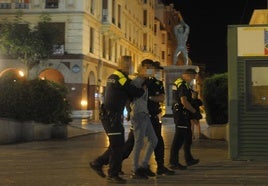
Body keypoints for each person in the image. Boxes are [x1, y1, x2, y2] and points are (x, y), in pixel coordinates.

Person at [89, 59, 145, 184]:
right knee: (117, 146)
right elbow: (136, 92)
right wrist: (144, 87)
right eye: (128, 65)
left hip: (111, 117)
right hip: (111, 118)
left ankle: (113, 169)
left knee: (117, 145)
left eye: (130, 65)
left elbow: (127, 93)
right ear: (122, 65)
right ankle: (105, 168)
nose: (129, 67)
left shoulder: (115, 77)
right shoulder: (121, 78)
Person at [130, 59, 158, 179]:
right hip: (138, 114)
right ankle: (135, 169)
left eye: (150, 68)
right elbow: (132, 97)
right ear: (140, 68)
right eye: (146, 67)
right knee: (139, 142)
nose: (148, 70)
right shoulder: (136, 81)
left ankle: (144, 165)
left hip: (145, 114)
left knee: (154, 140)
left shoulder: (146, 82)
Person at [146, 61, 175, 175]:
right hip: (143, 116)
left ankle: (160, 166)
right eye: (157, 70)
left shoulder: (157, 82)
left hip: (153, 116)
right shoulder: (143, 81)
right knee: (132, 143)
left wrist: (151, 98)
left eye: (159, 71)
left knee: (158, 140)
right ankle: (110, 165)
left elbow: (161, 98)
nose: (159, 72)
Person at [169, 68, 200, 170]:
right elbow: (184, 102)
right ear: (188, 75)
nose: (193, 79)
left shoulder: (183, 84)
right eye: (193, 77)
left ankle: (189, 159)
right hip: (181, 113)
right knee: (179, 138)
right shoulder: (182, 84)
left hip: (183, 113)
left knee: (188, 136)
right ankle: (173, 162)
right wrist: (194, 112)